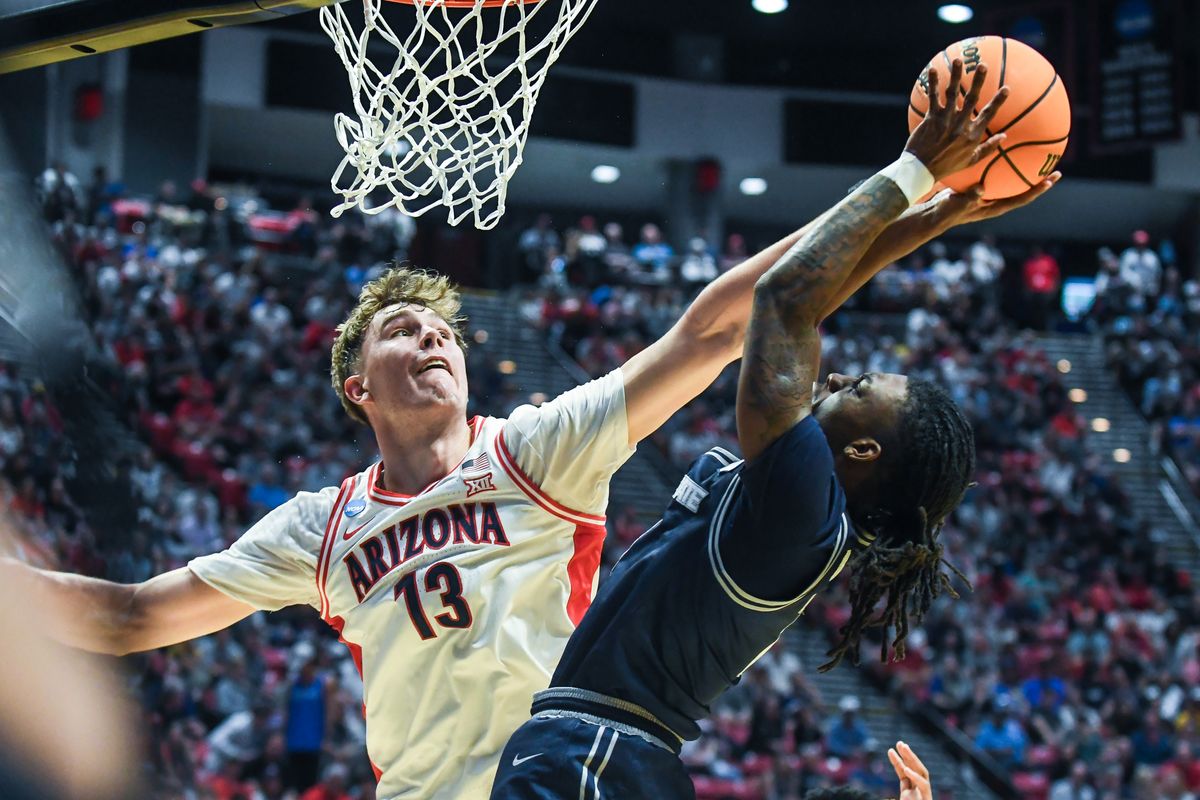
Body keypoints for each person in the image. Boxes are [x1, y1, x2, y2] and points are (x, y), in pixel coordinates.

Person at [1, 61, 1042, 800]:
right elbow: (136, 613)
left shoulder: (535, 447)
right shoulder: (319, 528)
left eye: (446, 328)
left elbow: (726, 321)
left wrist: (917, 206)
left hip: (561, 765)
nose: (436, 339)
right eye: (405, 331)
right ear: (357, 383)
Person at [491, 59, 1059, 799]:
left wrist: (916, 170)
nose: (832, 377)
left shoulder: (804, 508)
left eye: (857, 389)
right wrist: (931, 218)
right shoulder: (810, 512)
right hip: (607, 750)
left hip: (598, 753)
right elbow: (800, 301)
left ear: (863, 452)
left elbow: (787, 300)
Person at [802, 742, 933, 800]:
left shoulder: (879, 773)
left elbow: (884, 793)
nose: (870, 759)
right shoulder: (857, 772)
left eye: (873, 756)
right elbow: (857, 788)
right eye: (869, 756)